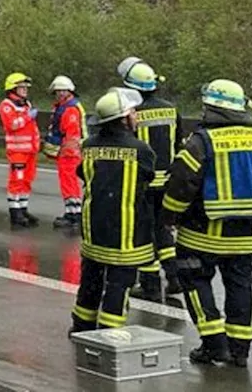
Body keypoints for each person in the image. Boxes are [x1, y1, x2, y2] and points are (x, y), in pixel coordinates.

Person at [161, 79, 252, 367]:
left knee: (194, 281)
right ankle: (240, 350)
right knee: (240, 286)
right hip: (248, 235)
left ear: (211, 107)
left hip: (202, 235)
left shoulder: (200, 142)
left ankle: (214, 345)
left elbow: (181, 187)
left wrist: (169, 218)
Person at [70, 87, 155, 333]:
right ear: (124, 117)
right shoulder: (141, 150)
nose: (136, 117)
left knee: (90, 282)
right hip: (126, 234)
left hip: (94, 229)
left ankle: (81, 327)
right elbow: (148, 178)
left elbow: (82, 174)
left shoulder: (89, 146)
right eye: (133, 113)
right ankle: (109, 333)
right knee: (119, 286)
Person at [118, 58, 183, 300]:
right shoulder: (170, 109)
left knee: (144, 233)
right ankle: (175, 278)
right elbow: (179, 144)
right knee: (164, 230)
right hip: (167, 182)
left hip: (142, 182)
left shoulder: (130, 113)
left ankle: (150, 285)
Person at [42, 76, 87, 230]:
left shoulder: (69, 110)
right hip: (69, 153)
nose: (60, 94)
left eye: (63, 91)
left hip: (69, 154)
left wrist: (63, 151)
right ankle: (73, 213)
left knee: (70, 185)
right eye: (58, 91)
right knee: (69, 184)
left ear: (69, 91)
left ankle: (74, 215)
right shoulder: (66, 106)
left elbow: (71, 134)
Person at [0, 73, 42, 228]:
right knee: (16, 180)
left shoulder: (26, 104)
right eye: (21, 87)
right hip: (17, 151)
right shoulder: (6, 105)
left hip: (30, 150)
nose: (25, 90)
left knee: (27, 180)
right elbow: (12, 125)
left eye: (26, 88)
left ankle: (23, 209)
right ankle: (15, 212)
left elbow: (32, 128)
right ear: (12, 88)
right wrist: (27, 117)